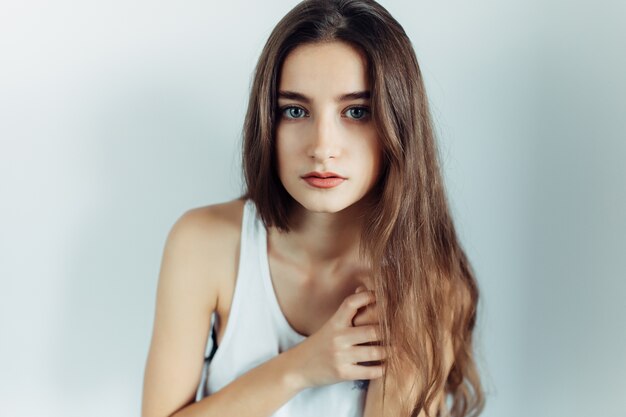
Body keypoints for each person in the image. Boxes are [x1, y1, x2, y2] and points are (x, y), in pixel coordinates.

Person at [141, 1, 484, 416]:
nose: (322, 147)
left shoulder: (423, 282)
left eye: (357, 111)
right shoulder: (205, 243)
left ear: (398, 123)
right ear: (269, 122)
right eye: (296, 110)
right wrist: (302, 367)